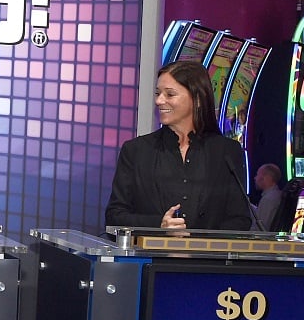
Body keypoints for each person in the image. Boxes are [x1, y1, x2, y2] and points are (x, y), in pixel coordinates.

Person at [105, 60, 253, 231]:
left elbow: (240, 219)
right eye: (157, 93)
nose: (159, 101)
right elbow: (114, 216)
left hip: (206, 257)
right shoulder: (136, 150)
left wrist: (201, 245)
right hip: (150, 256)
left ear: (197, 99)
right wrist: (158, 225)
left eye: (170, 94)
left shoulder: (227, 152)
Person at [252, 162, 283, 231]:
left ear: (266, 178)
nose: (255, 178)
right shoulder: (276, 195)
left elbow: (260, 229)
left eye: (257, 175)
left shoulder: (268, 199)